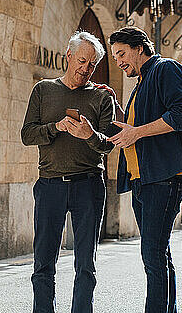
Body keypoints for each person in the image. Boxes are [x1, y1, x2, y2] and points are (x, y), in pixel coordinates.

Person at [21, 31, 115, 313]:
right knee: (43, 262)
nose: (85, 69)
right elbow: (27, 135)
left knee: (86, 263)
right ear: (69, 56)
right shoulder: (43, 90)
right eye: (82, 61)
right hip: (50, 185)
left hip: (89, 185)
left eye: (92, 65)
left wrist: (89, 134)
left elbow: (109, 145)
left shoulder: (101, 97)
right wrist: (56, 128)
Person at [107, 26, 182, 313]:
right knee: (159, 253)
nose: (118, 61)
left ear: (139, 47)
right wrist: (115, 104)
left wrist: (136, 133)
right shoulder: (141, 83)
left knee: (152, 255)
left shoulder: (166, 69)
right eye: (115, 56)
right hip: (143, 179)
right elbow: (134, 125)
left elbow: (181, 115)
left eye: (121, 53)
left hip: (165, 177)